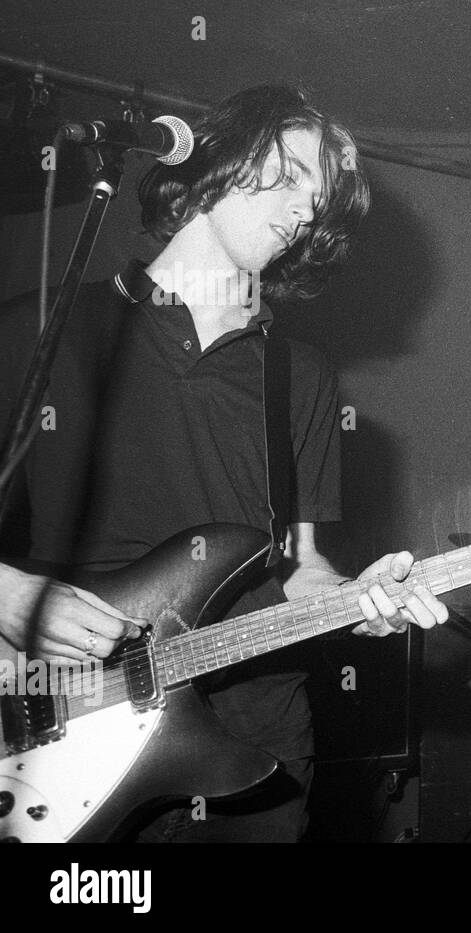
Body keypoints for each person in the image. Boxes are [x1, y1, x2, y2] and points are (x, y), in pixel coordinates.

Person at [0, 85, 447, 841]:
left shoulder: (299, 375)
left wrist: (358, 599)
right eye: (294, 172)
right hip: (64, 723)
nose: (307, 209)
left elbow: (300, 567)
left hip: (254, 740)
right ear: (228, 154)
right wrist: (6, 595)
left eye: (322, 198)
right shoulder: (43, 327)